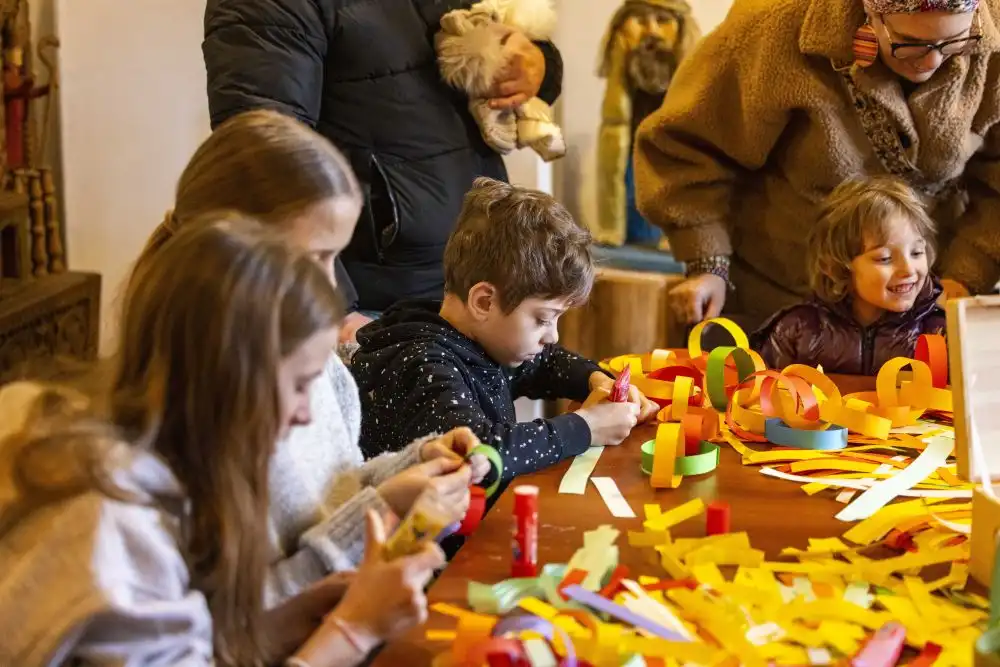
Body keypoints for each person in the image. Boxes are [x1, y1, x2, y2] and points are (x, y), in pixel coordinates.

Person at [0, 217, 450, 667]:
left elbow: (198, 646)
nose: (306, 413)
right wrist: (352, 630)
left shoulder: (170, 471)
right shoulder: (114, 524)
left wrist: (283, 620)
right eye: (298, 385)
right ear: (231, 379)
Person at [136, 109, 487, 602]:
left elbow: (337, 485)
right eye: (314, 257)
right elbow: (238, 624)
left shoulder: (319, 370)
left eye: (335, 257)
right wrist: (375, 517)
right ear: (229, 255)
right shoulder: (193, 418)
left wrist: (412, 464)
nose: (330, 284)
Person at [203, 0, 565, 342]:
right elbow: (262, 156)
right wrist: (337, 312)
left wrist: (541, 66)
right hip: (373, 305)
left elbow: (498, 36)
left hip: (473, 282)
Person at [634, 0, 1000, 331]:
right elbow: (686, 145)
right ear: (871, 11)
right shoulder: (771, 24)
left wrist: (966, 274)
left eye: (955, 43)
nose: (933, 61)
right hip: (783, 301)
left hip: (926, 302)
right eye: (910, 43)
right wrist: (707, 262)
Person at [352, 177, 659, 480]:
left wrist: (595, 380)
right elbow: (480, 453)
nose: (552, 336)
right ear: (484, 302)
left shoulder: (477, 337)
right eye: (542, 319)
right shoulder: (423, 365)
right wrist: (585, 427)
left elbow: (547, 364)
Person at [751, 177, 946, 374]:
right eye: (884, 258)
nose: (909, 269)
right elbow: (759, 394)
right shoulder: (796, 331)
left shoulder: (940, 333)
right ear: (835, 267)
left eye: (917, 253)